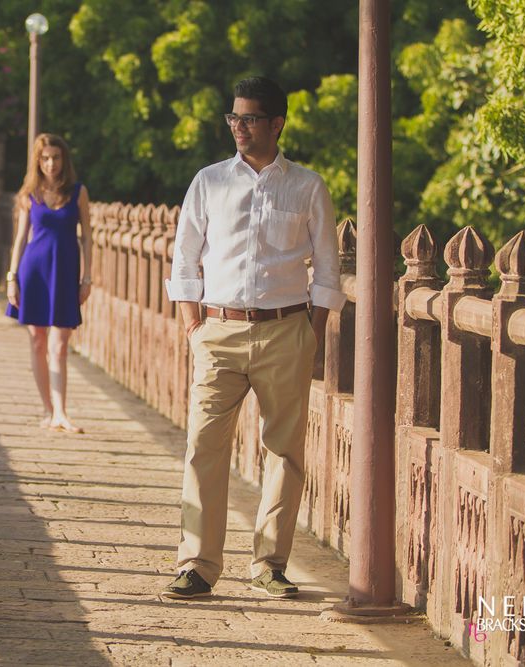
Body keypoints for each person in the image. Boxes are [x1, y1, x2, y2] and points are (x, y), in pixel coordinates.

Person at [161, 76, 345, 600]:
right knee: (202, 446)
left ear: (277, 123)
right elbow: (184, 254)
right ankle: (197, 564)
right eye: (234, 118)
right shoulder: (210, 181)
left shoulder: (307, 186)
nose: (239, 127)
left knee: (284, 452)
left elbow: (328, 270)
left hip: (286, 329)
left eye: (249, 119)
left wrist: (312, 335)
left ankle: (269, 564)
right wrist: (193, 325)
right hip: (218, 331)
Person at [6, 133, 93, 433]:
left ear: (64, 159)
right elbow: (20, 239)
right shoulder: (29, 194)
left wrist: (87, 276)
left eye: (56, 157)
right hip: (34, 273)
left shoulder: (78, 192)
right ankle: (47, 409)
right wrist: (11, 277)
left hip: (65, 272)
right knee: (38, 340)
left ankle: (61, 412)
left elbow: (87, 237)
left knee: (60, 344)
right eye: (45, 158)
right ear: (37, 161)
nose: (51, 163)